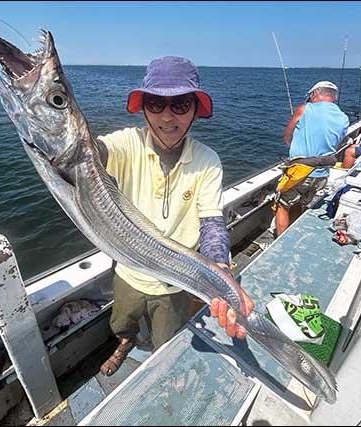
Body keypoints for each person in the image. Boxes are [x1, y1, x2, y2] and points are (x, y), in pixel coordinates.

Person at [96, 56, 254, 376]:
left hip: (177, 282)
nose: (167, 117)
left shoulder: (208, 161)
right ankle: (125, 342)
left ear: (196, 110)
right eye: (156, 103)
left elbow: (211, 223)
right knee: (121, 319)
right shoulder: (127, 143)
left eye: (181, 104)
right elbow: (87, 154)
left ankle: (158, 365)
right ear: (144, 108)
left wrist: (219, 273)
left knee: (165, 339)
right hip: (129, 271)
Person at [275, 81, 349, 236]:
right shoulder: (344, 118)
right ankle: (292, 237)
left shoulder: (304, 109)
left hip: (300, 173)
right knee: (300, 205)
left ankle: (280, 243)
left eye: (310, 96)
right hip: (321, 175)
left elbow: (287, 137)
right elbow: (336, 145)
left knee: (282, 206)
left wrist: (294, 145)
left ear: (315, 94)